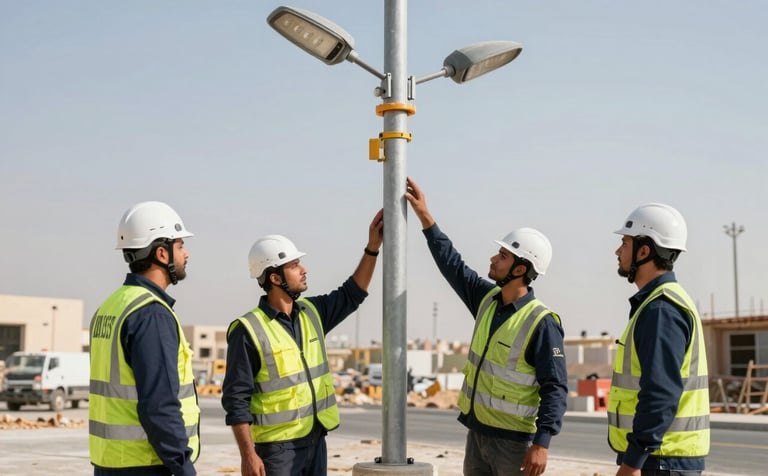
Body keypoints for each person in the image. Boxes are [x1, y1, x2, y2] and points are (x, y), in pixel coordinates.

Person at [405, 177, 568, 476]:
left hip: (514, 445)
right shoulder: (487, 300)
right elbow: (452, 264)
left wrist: (542, 444)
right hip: (477, 434)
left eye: (503, 256)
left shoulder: (541, 323)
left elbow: (555, 388)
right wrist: (426, 218)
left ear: (520, 269)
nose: (493, 258)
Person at [222, 209, 384, 476]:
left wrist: (372, 248)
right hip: (277, 451)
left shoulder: (311, 312)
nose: (304, 270)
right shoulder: (248, 330)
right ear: (275, 278)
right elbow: (236, 400)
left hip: (315, 440)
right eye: (295, 266)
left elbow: (352, 294)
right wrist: (248, 455)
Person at [89, 201, 200, 476]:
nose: (186, 254)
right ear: (162, 253)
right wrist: (183, 467)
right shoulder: (151, 315)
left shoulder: (111, 306)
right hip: (146, 463)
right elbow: (159, 405)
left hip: (110, 462)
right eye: (180, 245)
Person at [608, 203, 709, 476]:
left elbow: (661, 393)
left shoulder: (660, 310)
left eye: (625, 243)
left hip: (661, 460)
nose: (618, 251)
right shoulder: (660, 303)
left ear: (644, 250)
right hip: (662, 458)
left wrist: (632, 463)